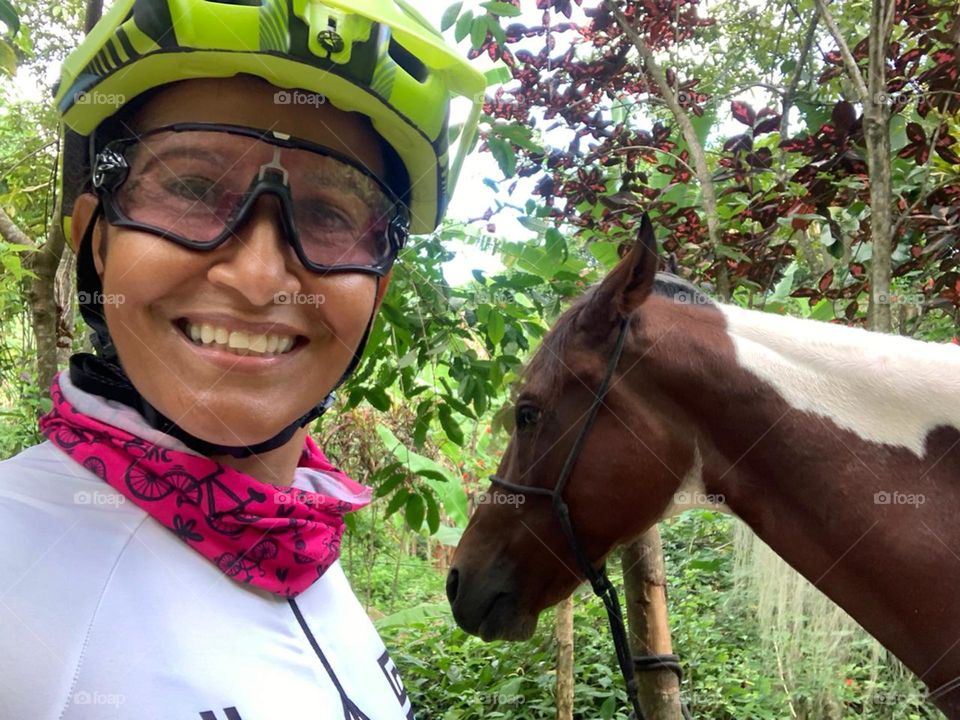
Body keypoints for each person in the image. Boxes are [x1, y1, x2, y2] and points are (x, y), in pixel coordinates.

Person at [0, 1, 483, 718]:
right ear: (94, 241)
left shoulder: (295, 535)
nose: (259, 279)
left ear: (375, 291)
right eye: (192, 190)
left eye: (328, 215)